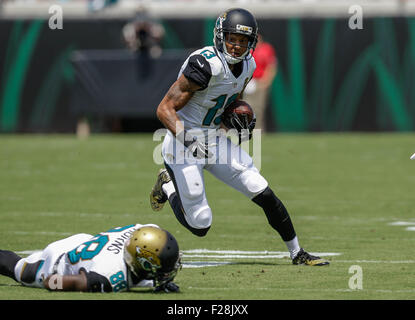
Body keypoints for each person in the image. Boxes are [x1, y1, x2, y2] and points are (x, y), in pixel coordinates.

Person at [149, 8, 329, 266]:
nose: (236, 46)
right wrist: (189, 140)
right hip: (182, 145)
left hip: (213, 140)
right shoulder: (204, 64)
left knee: (261, 189)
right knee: (201, 223)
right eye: (232, 39)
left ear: (252, 42)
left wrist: (234, 121)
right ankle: (167, 185)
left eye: (243, 41)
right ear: (221, 37)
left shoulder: (249, 65)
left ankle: (297, 252)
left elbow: (232, 101)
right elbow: (164, 109)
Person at [0, 224, 181, 293]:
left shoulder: (145, 231)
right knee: (20, 269)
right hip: (56, 262)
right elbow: (60, 282)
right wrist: (54, 281)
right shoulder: (109, 274)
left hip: (85, 242)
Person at [243, 33, 277, 131]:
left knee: (258, 108)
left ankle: (258, 130)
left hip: (260, 82)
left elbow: (271, 66)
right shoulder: (247, 49)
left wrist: (266, 81)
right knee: (246, 106)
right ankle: (245, 129)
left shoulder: (266, 49)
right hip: (248, 82)